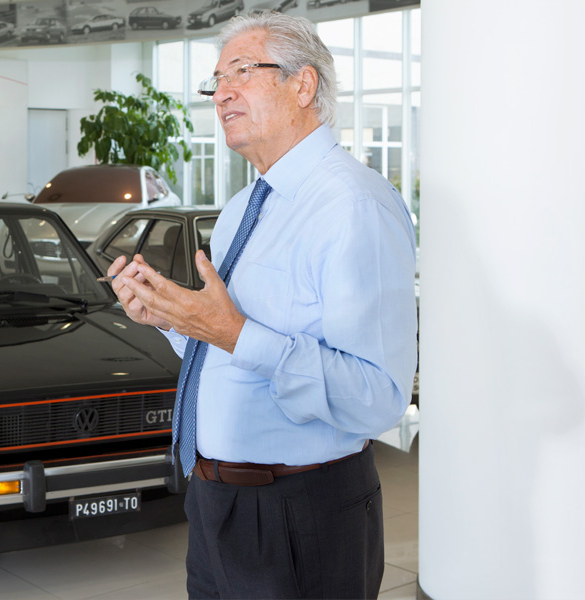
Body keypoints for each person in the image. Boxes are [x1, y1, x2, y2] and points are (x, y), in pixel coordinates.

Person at [105, 12, 418, 600]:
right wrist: (171, 317)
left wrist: (234, 333)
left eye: (243, 72)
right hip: (216, 504)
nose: (221, 93)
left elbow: (378, 396)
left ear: (303, 86)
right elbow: (228, 344)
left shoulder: (353, 205)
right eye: (216, 80)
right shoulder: (243, 207)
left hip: (302, 512)